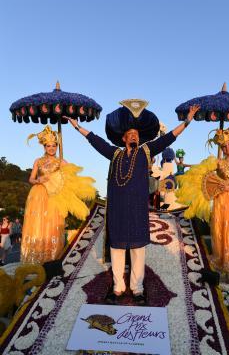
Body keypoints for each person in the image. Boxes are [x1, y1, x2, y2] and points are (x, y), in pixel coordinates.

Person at [65, 100, 200, 304]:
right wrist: (77, 126)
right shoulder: (115, 154)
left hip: (137, 210)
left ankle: (137, 288)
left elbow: (170, 138)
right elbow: (96, 141)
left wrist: (188, 121)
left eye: (136, 134)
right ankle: (118, 287)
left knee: (138, 250)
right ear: (124, 138)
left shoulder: (146, 152)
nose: (134, 136)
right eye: (130, 134)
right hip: (118, 210)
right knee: (117, 249)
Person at [177, 127, 229, 285]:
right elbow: (201, 170)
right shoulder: (219, 163)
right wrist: (184, 166)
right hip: (222, 201)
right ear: (221, 148)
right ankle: (228, 270)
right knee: (223, 232)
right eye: (224, 146)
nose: (227, 148)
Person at [21, 125, 95, 265]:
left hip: (55, 197)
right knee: (37, 224)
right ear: (44, 147)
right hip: (38, 195)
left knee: (53, 225)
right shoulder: (38, 161)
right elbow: (30, 179)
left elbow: (71, 178)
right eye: (48, 146)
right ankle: (36, 259)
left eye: (54, 146)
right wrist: (38, 180)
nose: (51, 148)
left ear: (57, 147)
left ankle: (52, 259)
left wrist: (62, 176)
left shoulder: (61, 161)